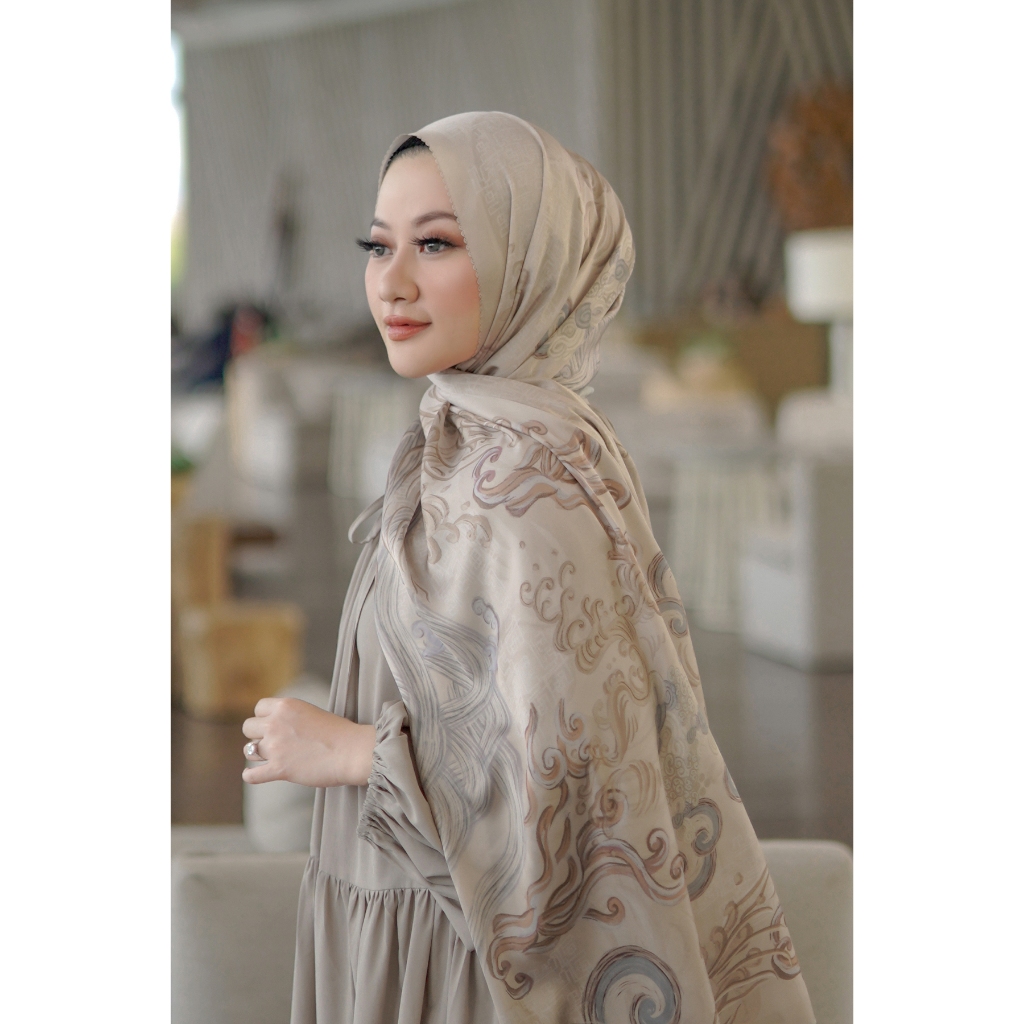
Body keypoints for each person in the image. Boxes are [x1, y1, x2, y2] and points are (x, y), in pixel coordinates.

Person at [242, 111, 816, 1024]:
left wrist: (353, 753)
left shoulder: (523, 483)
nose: (391, 281)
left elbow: (563, 796)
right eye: (378, 245)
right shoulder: (479, 442)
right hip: (415, 921)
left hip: (468, 972)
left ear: (530, 263)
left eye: (437, 243)